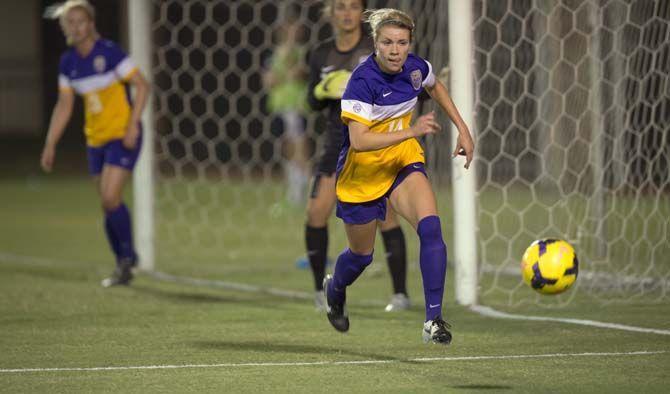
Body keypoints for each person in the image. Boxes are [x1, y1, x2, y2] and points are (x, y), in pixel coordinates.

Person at [323, 8, 474, 344]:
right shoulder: (361, 83)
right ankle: (335, 287)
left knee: (431, 228)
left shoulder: (416, 68)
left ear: (410, 43)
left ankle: (433, 320)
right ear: (375, 44)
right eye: (388, 42)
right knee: (362, 256)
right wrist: (412, 131)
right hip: (361, 174)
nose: (395, 50)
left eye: (402, 42)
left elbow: (436, 86)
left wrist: (463, 129)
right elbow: (360, 142)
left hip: (401, 163)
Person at [305, 0, 410, 313]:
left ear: (361, 13)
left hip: (372, 142)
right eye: (341, 7)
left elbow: (397, 82)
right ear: (331, 14)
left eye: (353, 7)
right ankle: (319, 292)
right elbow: (311, 101)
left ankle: (400, 294)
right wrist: (323, 89)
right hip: (336, 144)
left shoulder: (375, 48)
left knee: (385, 215)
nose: (347, 13)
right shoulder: (321, 53)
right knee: (315, 212)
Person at [40, 0, 150, 287]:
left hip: (122, 135)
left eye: (80, 21)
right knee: (107, 204)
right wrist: (50, 143)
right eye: (69, 22)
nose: (75, 27)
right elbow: (64, 105)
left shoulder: (110, 53)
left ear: (91, 23)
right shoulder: (68, 62)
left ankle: (127, 258)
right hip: (96, 140)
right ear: (64, 28)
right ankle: (122, 261)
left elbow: (142, 85)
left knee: (110, 197)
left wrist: (133, 124)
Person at [263, 5, 310, 205]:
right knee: (287, 149)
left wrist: (284, 71)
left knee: (299, 148)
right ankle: (295, 191)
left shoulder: (301, 52)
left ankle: (303, 191)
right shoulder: (272, 54)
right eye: (287, 27)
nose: (291, 31)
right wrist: (281, 74)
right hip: (278, 106)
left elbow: (299, 73)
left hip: (296, 106)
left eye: (294, 28)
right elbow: (269, 80)